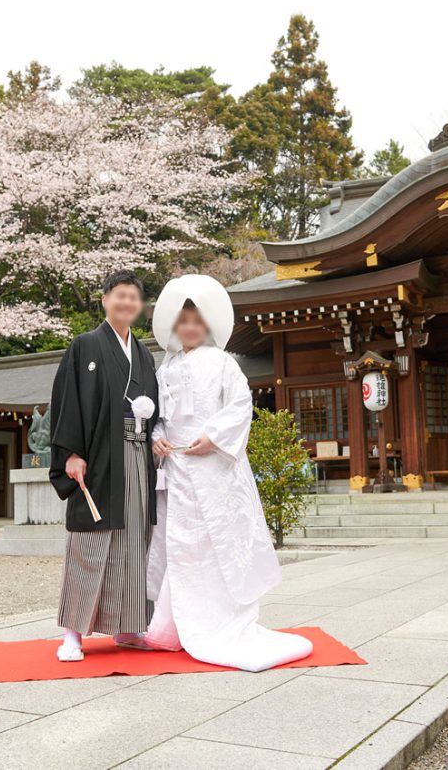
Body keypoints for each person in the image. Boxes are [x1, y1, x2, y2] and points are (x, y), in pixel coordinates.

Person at [145, 274, 313, 672]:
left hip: (214, 466)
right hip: (176, 469)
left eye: (197, 321)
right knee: (178, 546)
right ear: (174, 325)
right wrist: (156, 439)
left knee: (217, 543)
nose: (189, 328)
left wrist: (214, 437)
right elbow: (156, 416)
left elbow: (240, 406)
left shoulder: (223, 363)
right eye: (183, 321)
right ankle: (173, 625)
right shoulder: (163, 369)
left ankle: (217, 620)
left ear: (207, 326)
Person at [49, 270, 159, 661]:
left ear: (140, 306)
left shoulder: (145, 354)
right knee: (90, 541)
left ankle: (128, 627)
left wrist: (155, 433)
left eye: (134, 297)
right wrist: (70, 454)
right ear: (105, 299)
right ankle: (72, 635)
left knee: (133, 542)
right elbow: (67, 403)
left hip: (136, 454)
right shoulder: (85, 346)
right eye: (120, 295)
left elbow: (154, 408)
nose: (127, 303)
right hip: (98, 458)